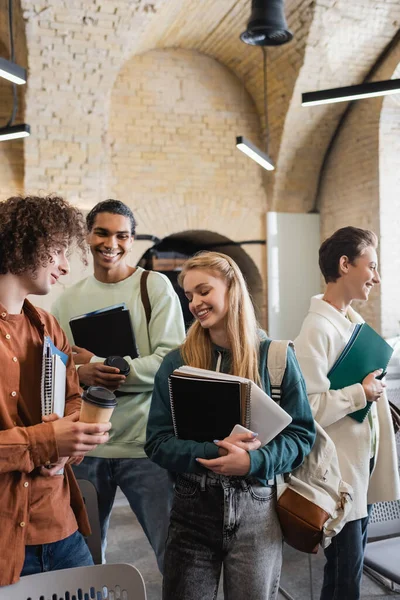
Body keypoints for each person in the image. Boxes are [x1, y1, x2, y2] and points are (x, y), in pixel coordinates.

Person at [145, 251, 315, 600]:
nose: (194, 303)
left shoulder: (276, 357)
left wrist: (252, 462)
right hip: (193, 507)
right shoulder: (176, 363)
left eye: (204, 291)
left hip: (257, 508)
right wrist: (215, 452)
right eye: (189, 295)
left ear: (233, 288)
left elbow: (301, 436)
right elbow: (157, 442)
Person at [52, 199, 185, 570]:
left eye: (122, 235)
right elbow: (58, 371)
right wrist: (80, 376)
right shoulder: (68, 300)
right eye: (102, 232)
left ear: (132, 239)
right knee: (86, 561)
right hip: (87, 449)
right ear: (87, 235)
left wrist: (94, 364)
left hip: (145, 448)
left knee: (171, 555)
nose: (112, 243)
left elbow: (169, 365)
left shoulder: (154, 287)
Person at [0, 195, 112, 586]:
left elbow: (72, 400)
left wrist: (72, 445)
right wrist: (47, 440)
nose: (65, 266)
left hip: (62, 529)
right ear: (23, 244)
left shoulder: (50, 327)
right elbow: (49, 435)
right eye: (58, 251)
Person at [294, 226, 400, 600]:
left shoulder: (352, 322)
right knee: (344, 578)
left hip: (358, 470)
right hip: (335, 480)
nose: (376, 276)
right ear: (344, 264)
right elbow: (309, 409)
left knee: (348, 573)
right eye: (371, 265)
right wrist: (362, 392)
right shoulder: (316, 330)